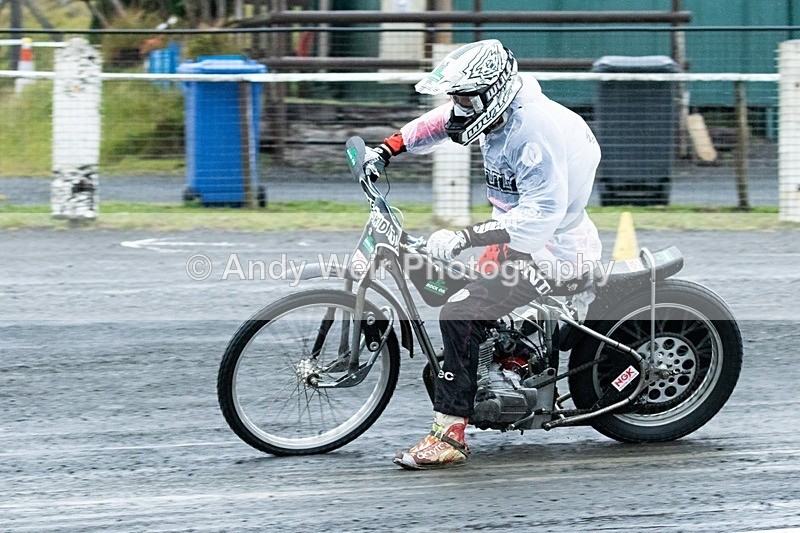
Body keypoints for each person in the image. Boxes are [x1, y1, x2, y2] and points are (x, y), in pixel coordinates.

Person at [363, 39, 603, 470]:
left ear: (494, 92)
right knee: (461, 291)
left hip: (552, 249)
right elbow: (441, 122)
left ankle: (450, 435)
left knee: (459, 312)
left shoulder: (533, 130)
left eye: (466, 98)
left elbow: (541, 213)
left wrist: (464, 236)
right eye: (457, 97)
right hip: (514, 239)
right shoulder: (495, 110)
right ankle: (503, 365)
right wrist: (387, 149)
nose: (459, 107)